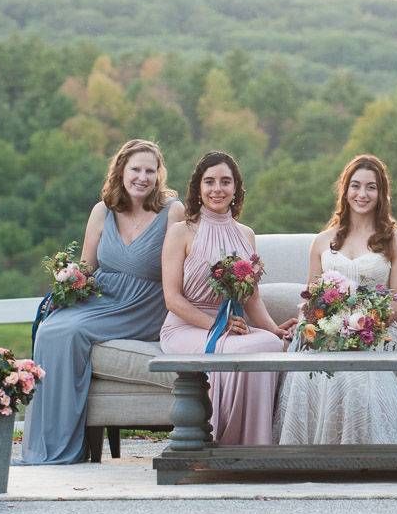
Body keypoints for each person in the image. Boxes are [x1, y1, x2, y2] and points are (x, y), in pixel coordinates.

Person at [21, 139, 184, 464]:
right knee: (50, 327)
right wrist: (68, 281)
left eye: (150, 171)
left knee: (71, 331)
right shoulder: (102, 211)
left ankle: (61, 449)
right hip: (102, 297)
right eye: (135, 169)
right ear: (121, 171)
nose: (142, 177)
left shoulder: (171, 211)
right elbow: (88, 268)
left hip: (145, 303)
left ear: (159, 175)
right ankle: (45, 444)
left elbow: (181, 264)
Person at [275, 155, 397, 444]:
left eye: (371, 187)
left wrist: (364, 327)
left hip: (377, 330)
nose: (362, 194)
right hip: (328, 331)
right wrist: (315, 325)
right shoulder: (322, 241)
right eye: (355, 186)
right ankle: (314, 452)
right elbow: (312, 295)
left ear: (382, 194)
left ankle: (362, 450)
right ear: (345, 191)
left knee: (353, 375)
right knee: (308, 371)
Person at [160, 151, 292, 445]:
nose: (217, 189)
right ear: (198, 188)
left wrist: (273, 328)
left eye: (225, 182)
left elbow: (251, 296)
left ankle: (255, 443)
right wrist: (216, 326)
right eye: (209, 182)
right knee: (244, 347)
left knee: (270, 343)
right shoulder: (180, 232)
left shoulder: (246, 234)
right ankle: (224, 439)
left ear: (235, 188)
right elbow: (172, 299)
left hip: (232, 324)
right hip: (187, 326)